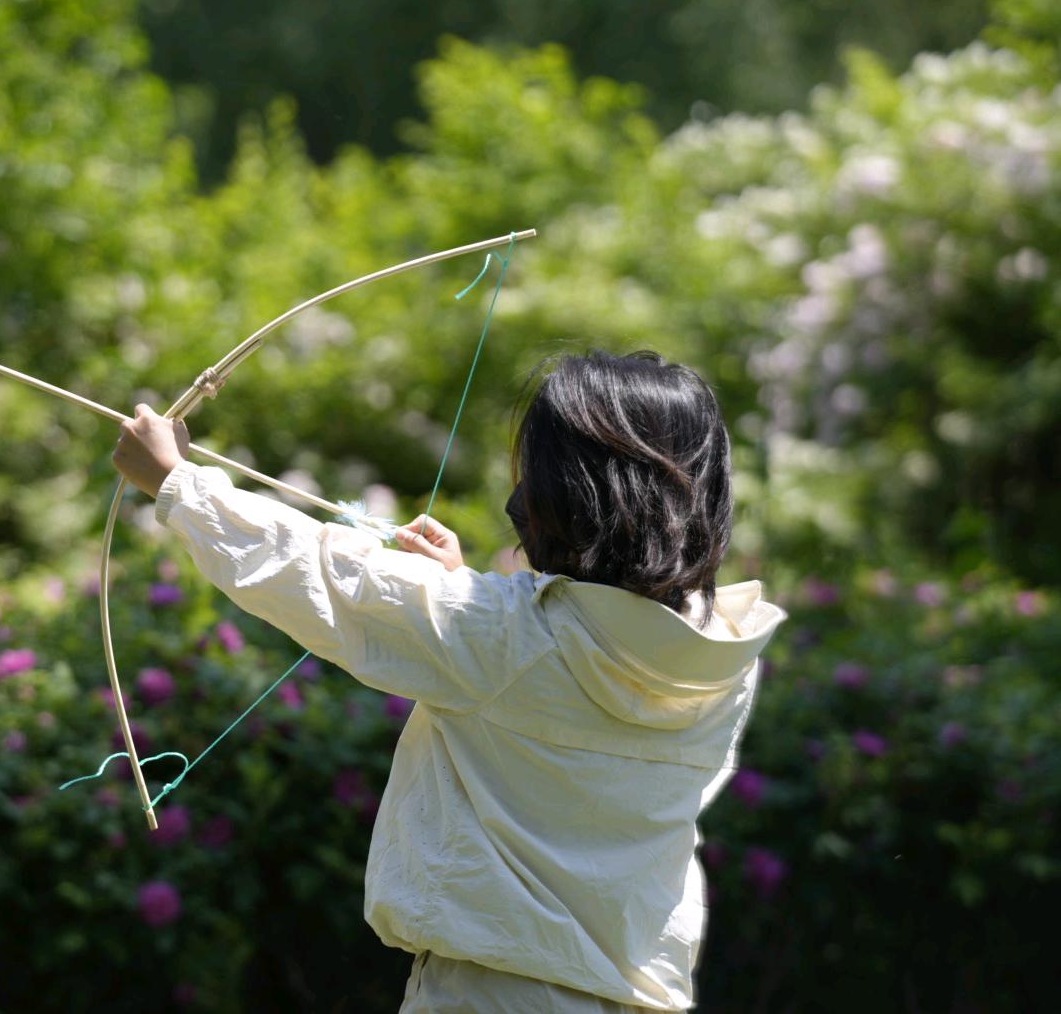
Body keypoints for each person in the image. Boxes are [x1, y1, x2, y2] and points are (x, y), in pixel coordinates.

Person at [113, 348, 789, 1013]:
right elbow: (562, 665)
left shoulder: (502, 638)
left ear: (567, 496)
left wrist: (178, 483)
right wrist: (460, 594)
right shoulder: (723, 653)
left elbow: (328, 575)